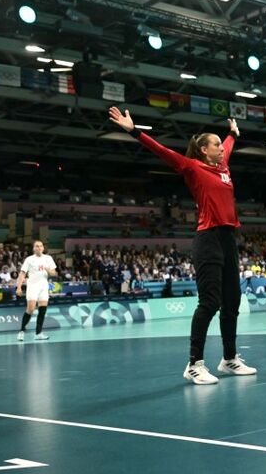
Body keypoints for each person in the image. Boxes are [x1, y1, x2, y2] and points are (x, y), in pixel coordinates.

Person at [107, 107, 255, 384]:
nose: (221, 149)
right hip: (208, 239)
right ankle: (194, 364)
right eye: (216, 145)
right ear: (202, 150)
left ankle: (229, 359)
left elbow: (229, 145)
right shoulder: (193, 167)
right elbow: (162, 150)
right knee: (210, 302)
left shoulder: (222, 166)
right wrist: (134, 130)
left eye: (221, 146)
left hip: (228, 239)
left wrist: (232, 134)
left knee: (232, 302)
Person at [14, 240, 57, 341]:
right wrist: (19, 287)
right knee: (31, 309)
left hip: (43, 287)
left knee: (42, 310)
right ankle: (21, 331)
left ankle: (38, 333)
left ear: (43, 248)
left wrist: (48, 270)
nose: (39, 248)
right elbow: (22, 273)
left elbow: (54, 273)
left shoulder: (48, 258)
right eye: (37, 246)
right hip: (32, 286)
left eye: (41, 246)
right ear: (34, 248)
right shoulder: (29, 259)